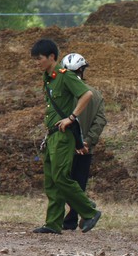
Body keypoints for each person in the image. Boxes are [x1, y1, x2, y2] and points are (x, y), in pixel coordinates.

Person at [31, 39, 102, 234]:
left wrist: (71, 117)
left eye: (39, 59)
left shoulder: (64, 75)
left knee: (61, 177)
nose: (36, 63)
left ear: (52, 57)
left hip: (63, 136)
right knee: (52, 181)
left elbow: (86, 94)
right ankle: (53, 223)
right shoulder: (48, 78)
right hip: (52, 135)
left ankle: (89, 211)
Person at [59, 53, 107, 231]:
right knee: (79, 183)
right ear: (82, 70)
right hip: (86, 149)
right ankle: (73, 218)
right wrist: (87, 142)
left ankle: (76, 215)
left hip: (65, 147)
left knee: (62, 182)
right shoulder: (95, 94)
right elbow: (100, 120)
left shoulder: (63, 94)